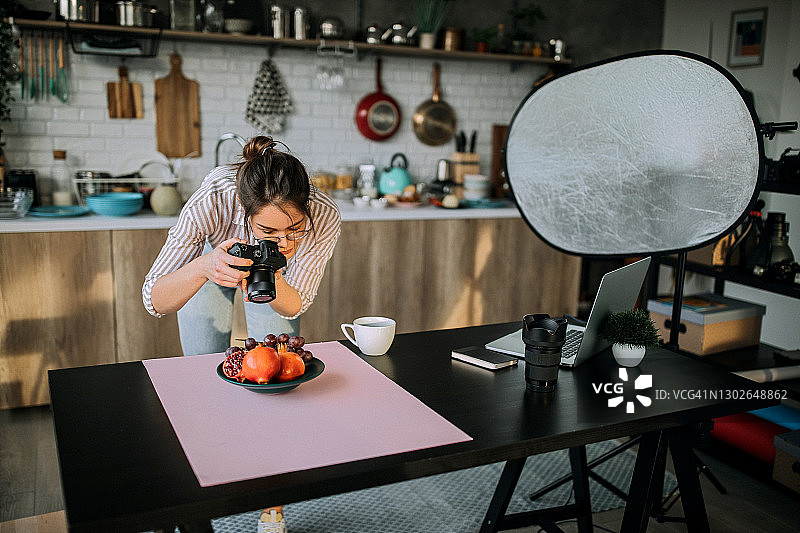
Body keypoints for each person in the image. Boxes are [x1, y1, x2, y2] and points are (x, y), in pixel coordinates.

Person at [143, 136, 341, 355]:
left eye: (295, 228)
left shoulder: (324, 215)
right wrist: (204, 267)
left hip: (275, 274)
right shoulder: (214, 198)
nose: (284, 243)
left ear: (307, 206)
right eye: (268, 231)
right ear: (242, 206)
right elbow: (155, 300)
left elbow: (296, 304)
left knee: (274, 359)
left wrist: (274, 276)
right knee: (203, 359)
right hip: (213, 257)